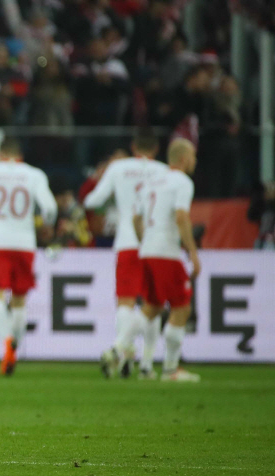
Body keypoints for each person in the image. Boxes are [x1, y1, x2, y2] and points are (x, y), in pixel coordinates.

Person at [83, 129, 168, 379]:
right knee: (153, 304)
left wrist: (110, 202)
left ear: (133, 147)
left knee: (126, 301)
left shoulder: (118, 168)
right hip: (155, 244)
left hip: (127, 241)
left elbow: (92, 200)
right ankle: (147, 364)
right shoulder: (164, 171)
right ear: (155, 150)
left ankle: (122, 352)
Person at [0, 138, 57, 376]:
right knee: (20, 299)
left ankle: (7, 343)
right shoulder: (34, 175)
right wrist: (47, 226)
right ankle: (16, 349)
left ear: (0, 153)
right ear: (20, 155)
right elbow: (50, 208)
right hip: (24, 242)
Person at [133, 138, 201, 382]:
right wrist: (192, 252)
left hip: (147, 249)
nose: (195, 160)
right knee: (182, 306)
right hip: (167, 251)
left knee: (152, 307)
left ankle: (119, 348)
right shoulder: (182, 182)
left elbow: (136, 219)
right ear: (183, 159)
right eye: (193, 156)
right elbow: (181, 217)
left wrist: (145, 241)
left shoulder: (152, 182)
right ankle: (171, 369)